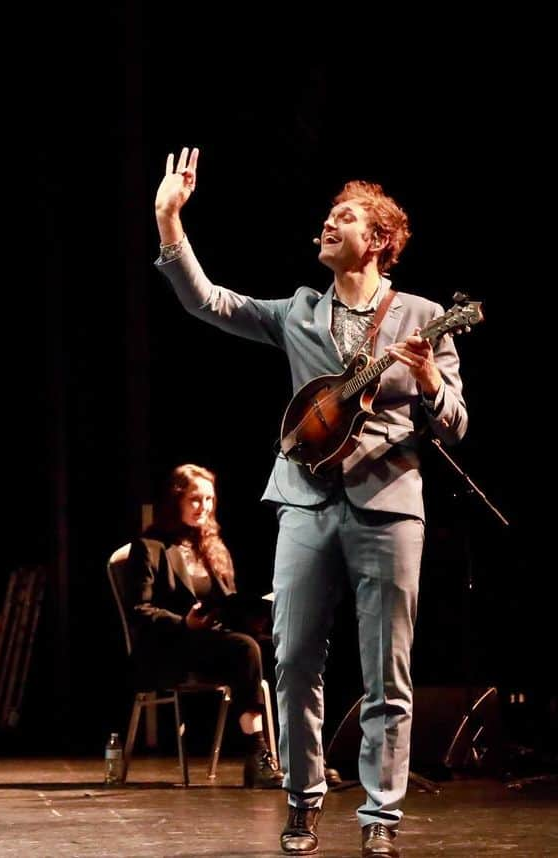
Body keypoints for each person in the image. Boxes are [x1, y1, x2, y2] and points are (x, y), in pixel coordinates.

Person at [154, 149, 468, 858]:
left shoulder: (424, 317)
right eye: (328, 215)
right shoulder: (298, 311)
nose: (329, 222)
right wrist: (169, 220)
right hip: (303, 502)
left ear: (380, 240)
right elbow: (210, 301)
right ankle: (302, 800)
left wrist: (426, 382)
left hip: (389, 505)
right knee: (293, 658)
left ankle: (381, 818)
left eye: (346, 216)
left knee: (387, 669)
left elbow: (456, 421)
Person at [127, 464, 283, 789]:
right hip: (172, 646)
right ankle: (257, 753)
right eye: (195, 499)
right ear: (176, 501)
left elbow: (229, 602)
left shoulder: (213, 547)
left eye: (210, 500)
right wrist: (184, 622)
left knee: (286, 645)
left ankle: (303, 756)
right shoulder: (150, 547)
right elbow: (139, 611)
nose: (204, 507)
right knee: (246, 649)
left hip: (215, 641)